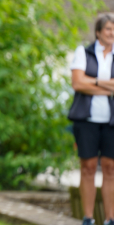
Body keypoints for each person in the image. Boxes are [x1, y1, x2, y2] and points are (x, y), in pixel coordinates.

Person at [68, 13, 114, 225]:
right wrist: (106, 84)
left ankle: (110, 219)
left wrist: (92, 82)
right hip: (86, 120)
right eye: (108, 29)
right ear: (98, 32)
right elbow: (77, 83)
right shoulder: (83, 52)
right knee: (87, 167)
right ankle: (88, 218)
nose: (112, 33)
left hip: (111, 122)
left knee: (110, 168)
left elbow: (84, 82)